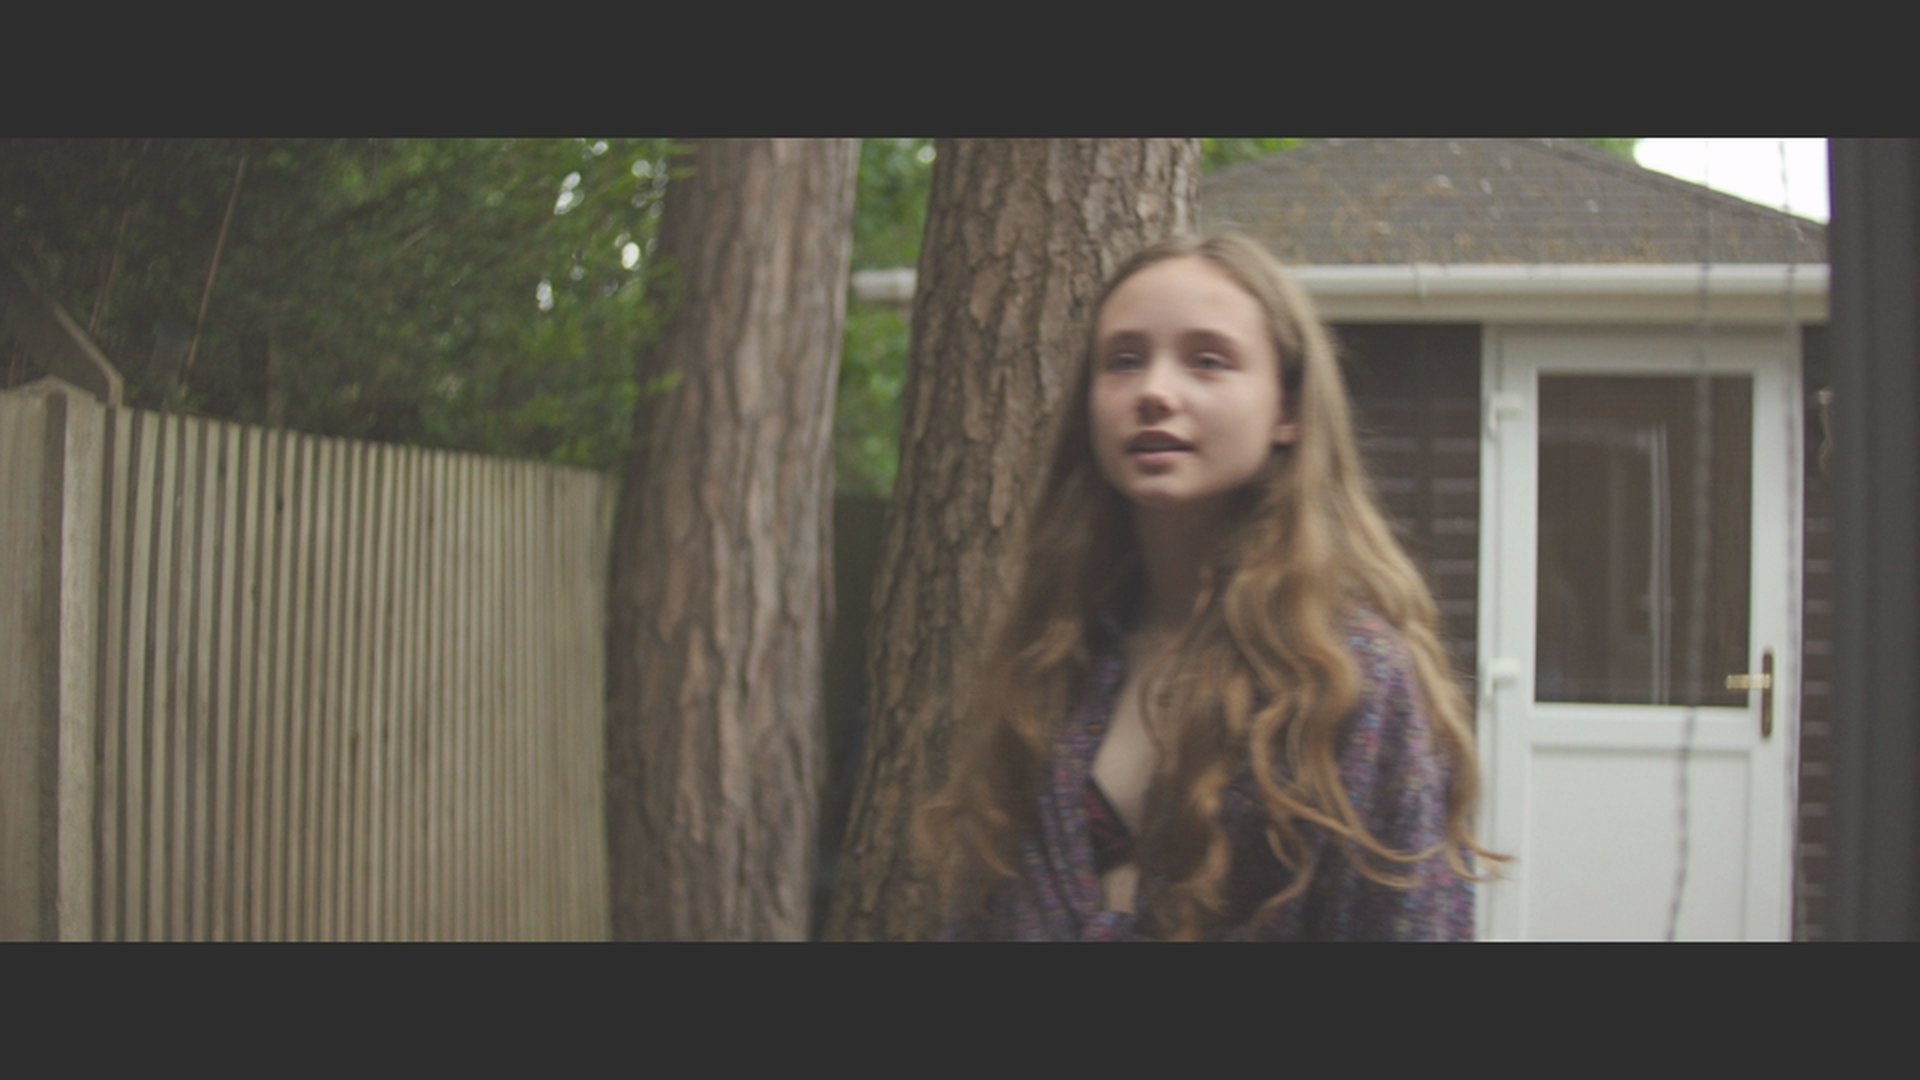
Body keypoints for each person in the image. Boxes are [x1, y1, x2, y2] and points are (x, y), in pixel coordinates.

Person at [921, 232, 1500, 941]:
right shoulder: (1052, 658)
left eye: (1208, 361)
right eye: (1124, 361)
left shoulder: (1353, 679)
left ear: (1288, 410)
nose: (1154, 392)